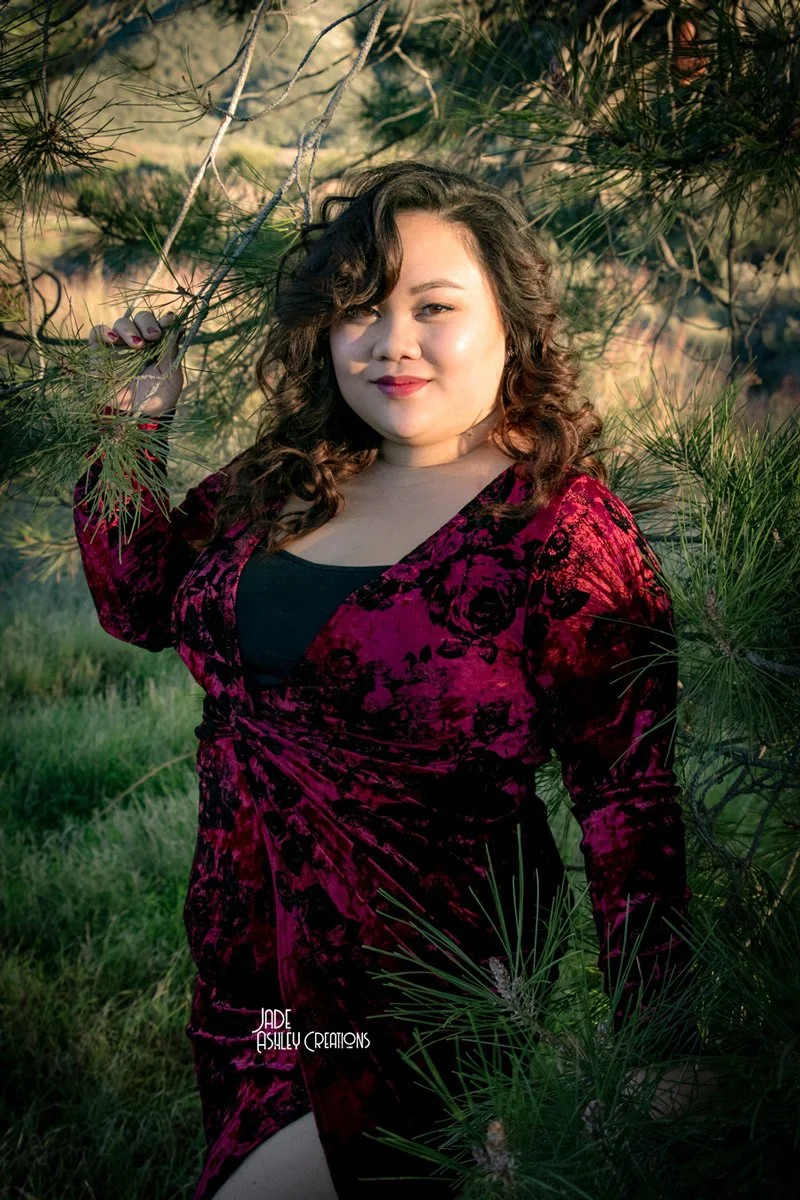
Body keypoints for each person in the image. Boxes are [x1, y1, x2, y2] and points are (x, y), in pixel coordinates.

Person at [73, 161, 697, 1200]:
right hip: (246, 989)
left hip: (425, 992)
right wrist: (127, 429)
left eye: (433, 306)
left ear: (511, 322)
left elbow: (625, 805)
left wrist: (655, 1042)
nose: (389, 339)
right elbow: (138, 601)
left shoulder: (556, 530)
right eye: (358, 308)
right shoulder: (283, 477)